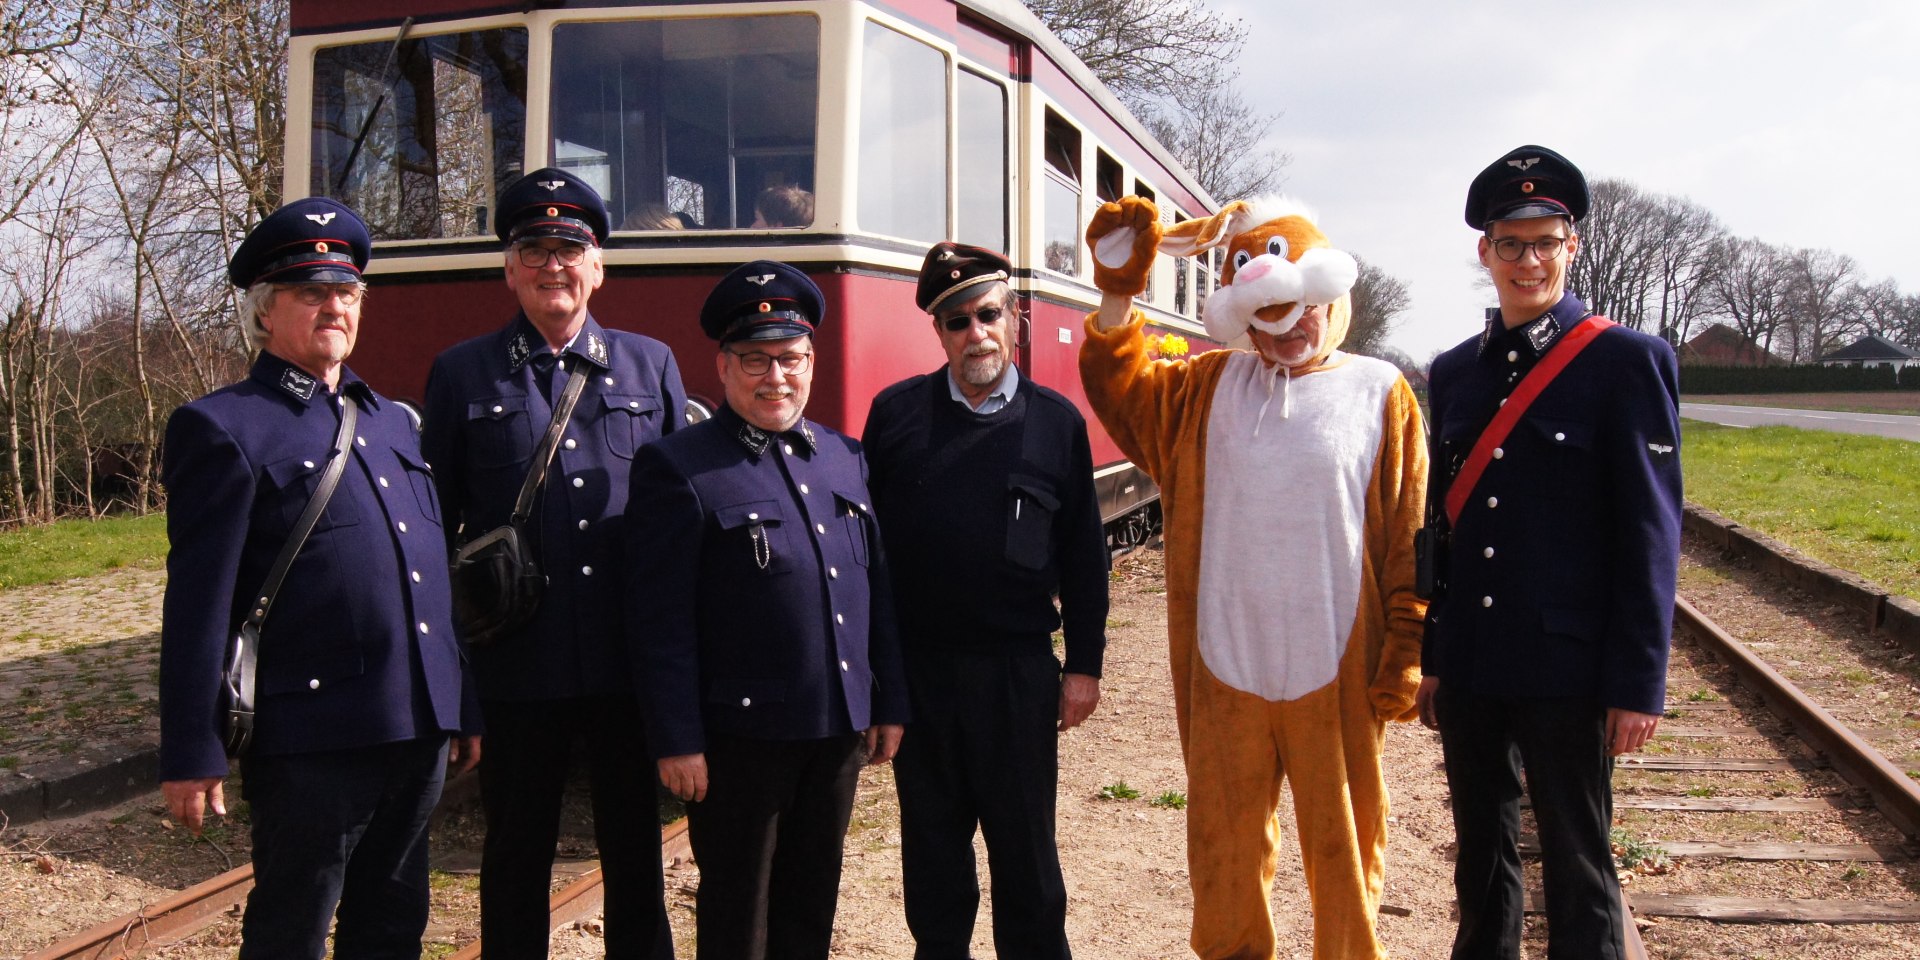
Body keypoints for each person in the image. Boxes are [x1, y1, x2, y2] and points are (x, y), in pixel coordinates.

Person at [1080, 195, 1427, 960]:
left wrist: (1408, 642)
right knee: (1224, 854)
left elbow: (1410, 531)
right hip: (1225, 667)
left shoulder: (1380, 392)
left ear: (1331, 300)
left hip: (1335, 666)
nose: (1291, 331)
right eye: (1270, 318)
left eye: (1304, 312)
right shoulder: (1206, 387)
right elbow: (1123, 390)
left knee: (1345, 848)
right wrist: (1117, 291)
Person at [158, 197, 480, 960]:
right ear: (268, 314)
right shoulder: (223, 427)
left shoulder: (394, 422)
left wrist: (461, 699)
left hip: (417, 730)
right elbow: (200, 605)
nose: (334, 307)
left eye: (346, 293)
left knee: (394, 927)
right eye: (311, 293)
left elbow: (428, 577)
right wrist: (191, 748)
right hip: (313, 738)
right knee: (292, 931)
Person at [1415, 144, 1683, 959]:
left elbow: (1650, 532)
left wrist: (1639, 682)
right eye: (1510, 243)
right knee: (1482, 859)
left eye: (1544, 242)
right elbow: (1445, 529)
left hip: (1570, 667)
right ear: (1485, 252)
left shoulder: (1627, 362)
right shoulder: (1454, 372)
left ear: (1572, 246)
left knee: (1578, 857)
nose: (1527, 261)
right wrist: (1433, 655)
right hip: (1472, 663)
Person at [421, 167, 686, 960]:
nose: (552, 266)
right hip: (517, 662)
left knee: (636, 851)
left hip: (623, 661)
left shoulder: (651, 367)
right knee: (515, 854)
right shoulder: (462, 373)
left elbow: (678, 526)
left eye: (569, 248)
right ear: (509, 269)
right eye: (533, 250)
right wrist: (456, 677)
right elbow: (435, 529)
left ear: (598, 264)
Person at [627, 259, 909, 960]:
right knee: (738, 919)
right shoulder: (679, 466)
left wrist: (888, 699)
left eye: (789, 359)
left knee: (811, 906)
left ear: (811, 361)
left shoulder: (843, 458)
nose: (774, 377)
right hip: (740, 742)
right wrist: (676, 737)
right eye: (755, 360)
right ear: (723, 366)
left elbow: (877, 592)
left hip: (835, 731)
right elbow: (658, 619)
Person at [862, 241, 1107, 959]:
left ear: (1015, 319)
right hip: (924, 675)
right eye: (957, 321)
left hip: (1016, 674)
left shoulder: (1056, 423)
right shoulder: (896, 417)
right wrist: (881, 678)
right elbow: (871, 559)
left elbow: (1084, 555)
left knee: (1027, 857)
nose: (976, 333)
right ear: (938, 333)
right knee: (933, 858)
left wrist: (1083, 665)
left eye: (989, 315)